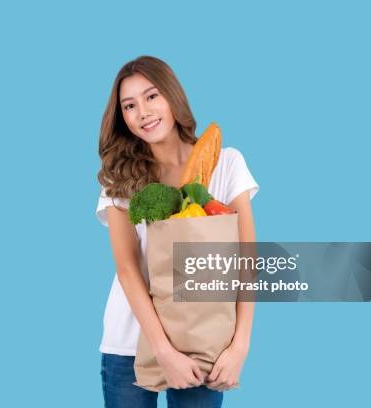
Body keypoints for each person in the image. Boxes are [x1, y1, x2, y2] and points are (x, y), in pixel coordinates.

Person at [96, 55, 259, 408]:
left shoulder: (226, 163)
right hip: (130, 342)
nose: (143, 112)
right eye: (129, 105)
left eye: (151, 96)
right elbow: (126, 268)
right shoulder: (118, 177)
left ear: (172, 96)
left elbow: (247, 259)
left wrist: (239, 346)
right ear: (122, 117)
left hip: (204, 342)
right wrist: (162, 349)